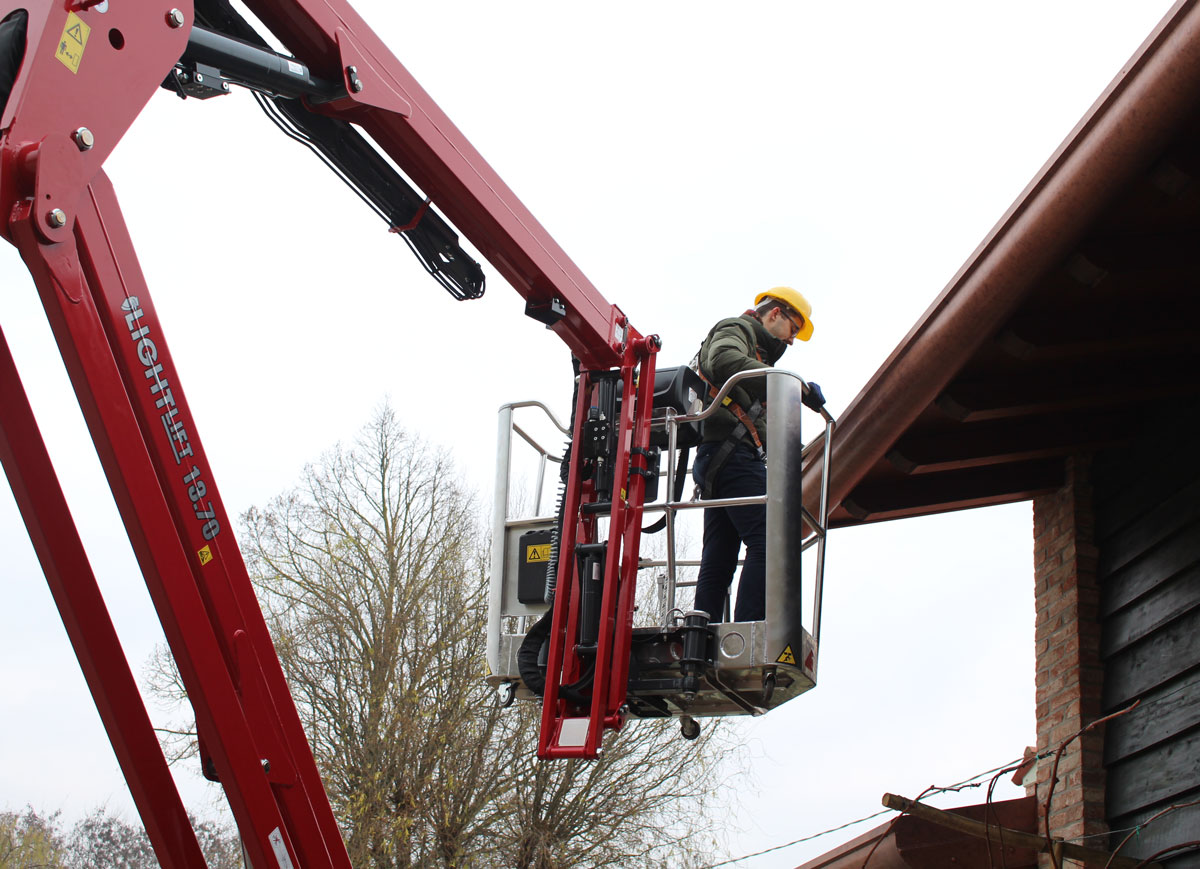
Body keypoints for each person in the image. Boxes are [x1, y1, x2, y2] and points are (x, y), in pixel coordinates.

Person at [691, 286, 823, 622]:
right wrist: (792, 384)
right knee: (772, 538)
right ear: (775, 313)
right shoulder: (736, 330)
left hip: (720, 459)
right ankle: (749, 631)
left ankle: (700, 635)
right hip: (730, 457)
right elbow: (722, 360)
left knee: (719, 557)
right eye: (793, 329)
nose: (792, 341)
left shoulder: (759, 357)